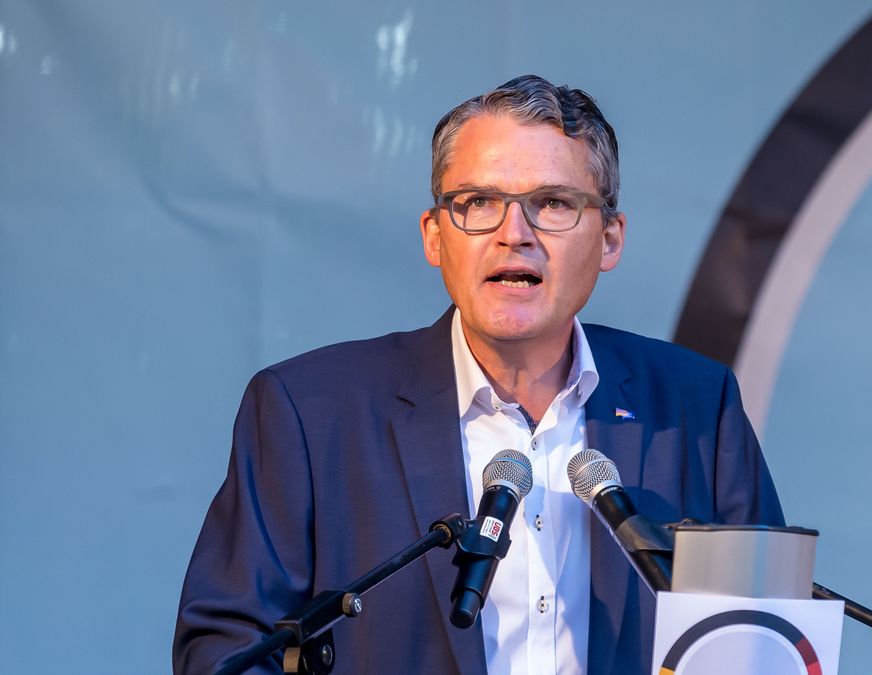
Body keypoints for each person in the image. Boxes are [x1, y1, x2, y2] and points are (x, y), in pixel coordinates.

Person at [173, 75, 784, 675]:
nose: (514, 235)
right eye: (479, 204)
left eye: (552, 204)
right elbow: (225, 651)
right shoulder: (309, 412)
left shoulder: (697, 408)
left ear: (609, 239)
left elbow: (767, 643)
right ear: (435, 236)